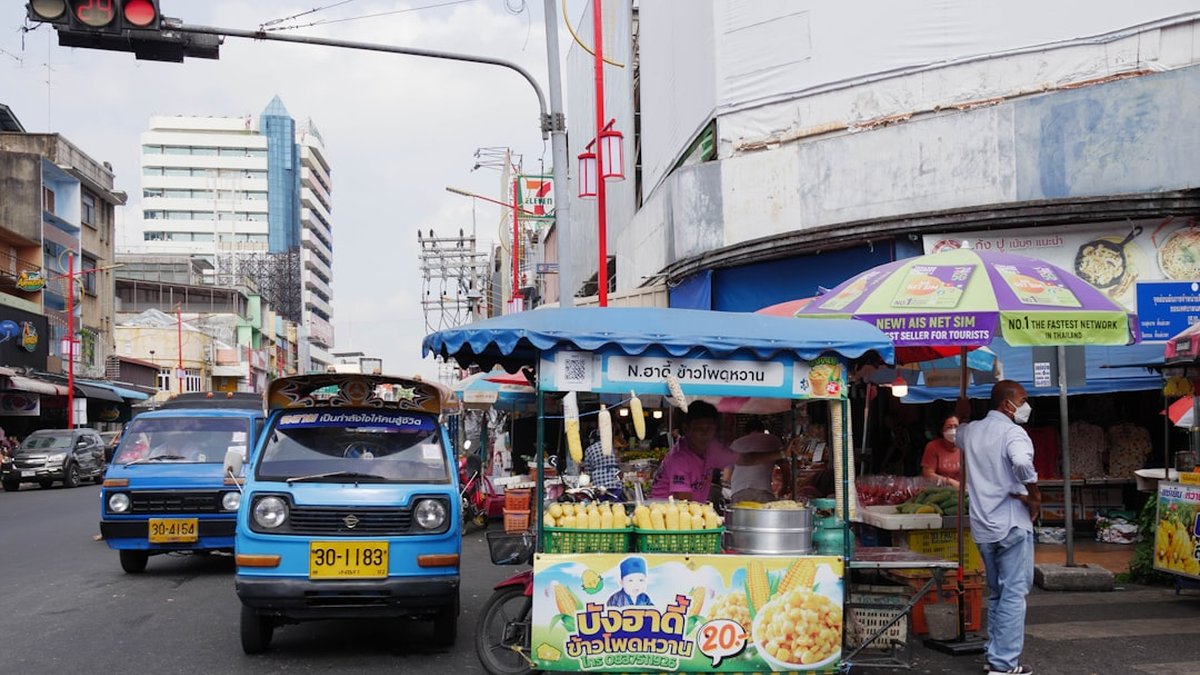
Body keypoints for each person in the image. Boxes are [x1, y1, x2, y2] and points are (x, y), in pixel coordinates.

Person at [956, 380, 1040, 675]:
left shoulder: (972, 431)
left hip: (983, 526)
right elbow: (1020, 462)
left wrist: (963, 414)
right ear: (1008, 404)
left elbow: (958, 433)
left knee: (998, 592)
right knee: (1014, 593)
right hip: (1012, 524)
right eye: (1023, 399)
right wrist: (1035, 494)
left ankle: (996, 655)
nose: (1026, 405)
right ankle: (1004, 664)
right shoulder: (1013, 432)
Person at [650, 401, 736, 500]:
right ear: (686, 429)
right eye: (699, 429)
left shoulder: (709, 450)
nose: (705, 434)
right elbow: (685, 502)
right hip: (666, 512)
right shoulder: (679, 459)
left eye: (709, 428)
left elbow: (741, 459)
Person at [729, 420, 784, 504]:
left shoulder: (735, 443)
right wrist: (784, 488)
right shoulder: (773, 440)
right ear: (763, 429)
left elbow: (726, 476)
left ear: (746, 431)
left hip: (738, 490)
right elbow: (784, 466)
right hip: (763, 490)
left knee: (741, 517)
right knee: (765, 517)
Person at [581, 425, 624, 499]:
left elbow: (588, 471)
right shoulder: (612, 446)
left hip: (599, 482)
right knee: (616, 505)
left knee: (603, 505)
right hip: (615, 480)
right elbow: (620, 462)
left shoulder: (589, 450)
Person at [921, 415, 963, 489]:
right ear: (942, 430)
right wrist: (949, 482)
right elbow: (927, 474)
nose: (953, 430)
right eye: (949, 427)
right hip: (939, 491)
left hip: (963, 491)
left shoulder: (965, 446)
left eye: (956, 426)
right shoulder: (933, 447)